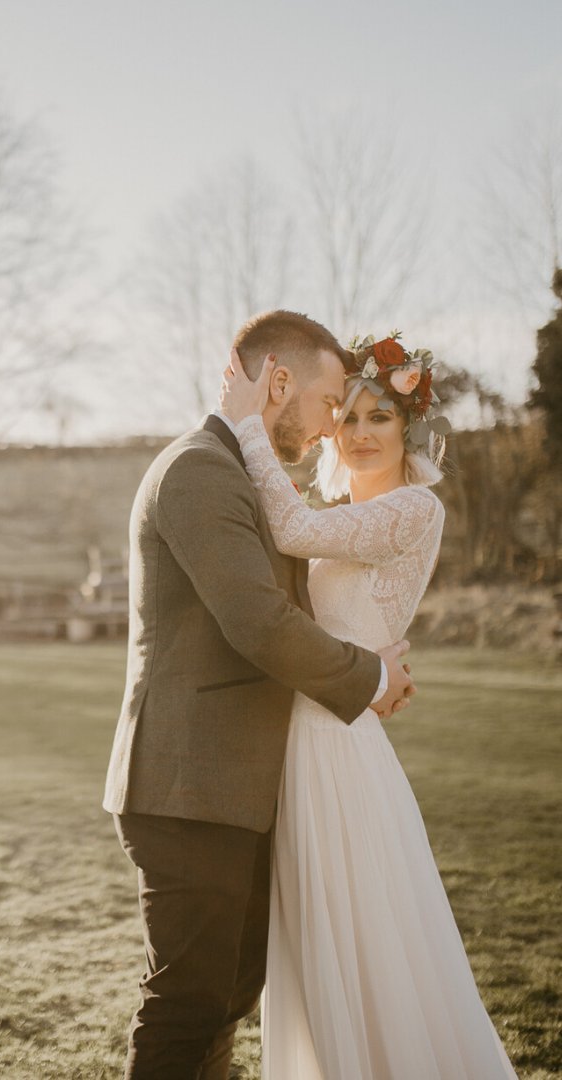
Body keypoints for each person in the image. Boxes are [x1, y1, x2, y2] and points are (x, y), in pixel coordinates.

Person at [103, 310, 415, 1080]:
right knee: (189, 1000)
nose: (331, 426)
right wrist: (369, 678)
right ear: (279, 382)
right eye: (328, 402)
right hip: (188, 785)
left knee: (228, 994)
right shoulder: (198, 471)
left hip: (236, 788)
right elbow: (256, 620)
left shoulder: (240, 473)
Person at [220, 336, 518, 1079]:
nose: (357, 433)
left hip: (336, 747)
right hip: (303, 737)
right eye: (347, 416)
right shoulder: (337, 516)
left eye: (378, 417)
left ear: (406, 430)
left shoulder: (415, 509)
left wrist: (246, 423)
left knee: (362, 941)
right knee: (322, 944)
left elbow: (291, 529)